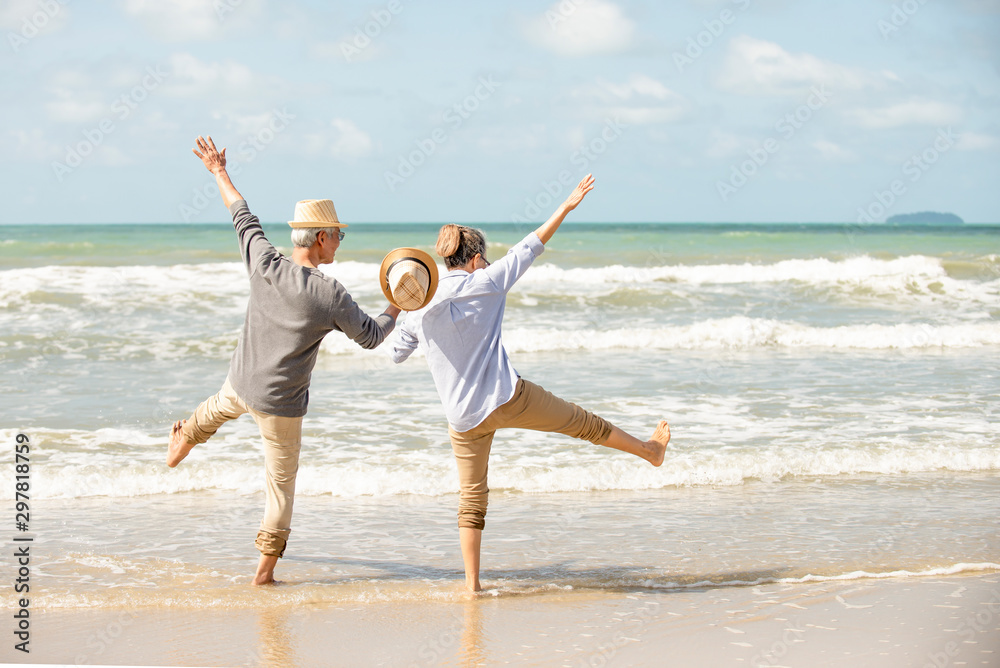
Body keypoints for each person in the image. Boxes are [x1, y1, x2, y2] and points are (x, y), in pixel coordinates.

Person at [390, 174, 671, 592]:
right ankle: (649, 452)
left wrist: (403, 301)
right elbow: (532, 244)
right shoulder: (487, 281)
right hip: (507, 398)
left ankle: (471, 587)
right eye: (483, 258)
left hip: (463, 418)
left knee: (472, 498)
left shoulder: (418, 308)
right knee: (582, 424)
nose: (485, 264)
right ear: (473, 258)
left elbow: (395, 352)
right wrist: (567, 205)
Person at [167, 136, 401, 585]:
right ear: (319, 238)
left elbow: (241, 212)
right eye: (337, 234)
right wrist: (397, 304)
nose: (340, 241)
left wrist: (217, 170)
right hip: (281, 406)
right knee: (280, 487)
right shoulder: (329, 293)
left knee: (216, 409)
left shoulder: (263, 261)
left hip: (241, 384)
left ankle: (184, 440)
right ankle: (264, 573)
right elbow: (372, 337)